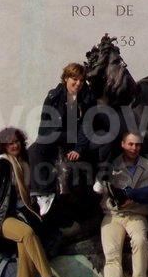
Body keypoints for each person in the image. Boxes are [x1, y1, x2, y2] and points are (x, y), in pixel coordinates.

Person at [95, 130, 148, 277]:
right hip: (113, 215)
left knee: (140, 240)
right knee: (111, 253)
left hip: (137, 214)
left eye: (137, 145)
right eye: (130, 144)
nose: (134, 148)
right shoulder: (110, 166)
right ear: (122, 144)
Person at [0, 127, 56, 277]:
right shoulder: (1, 164)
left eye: (17, 142)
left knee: (25, 252)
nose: (14, 145)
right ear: (4, 146)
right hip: (2, 218)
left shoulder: (24, 164)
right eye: (10, 143)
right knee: (27, 233)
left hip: (20, 215)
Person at [29, 62, 97, 207]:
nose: (78, 83)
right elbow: (45, 120)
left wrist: (79, 149)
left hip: (75, 136)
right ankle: (42, 193)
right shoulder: (54, 95)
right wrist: (43, 140)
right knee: (34, 149)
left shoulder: (88, 99)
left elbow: (87, 125)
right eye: (74, 79)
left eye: (81, 80)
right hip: (56, 134)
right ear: (66, 78)